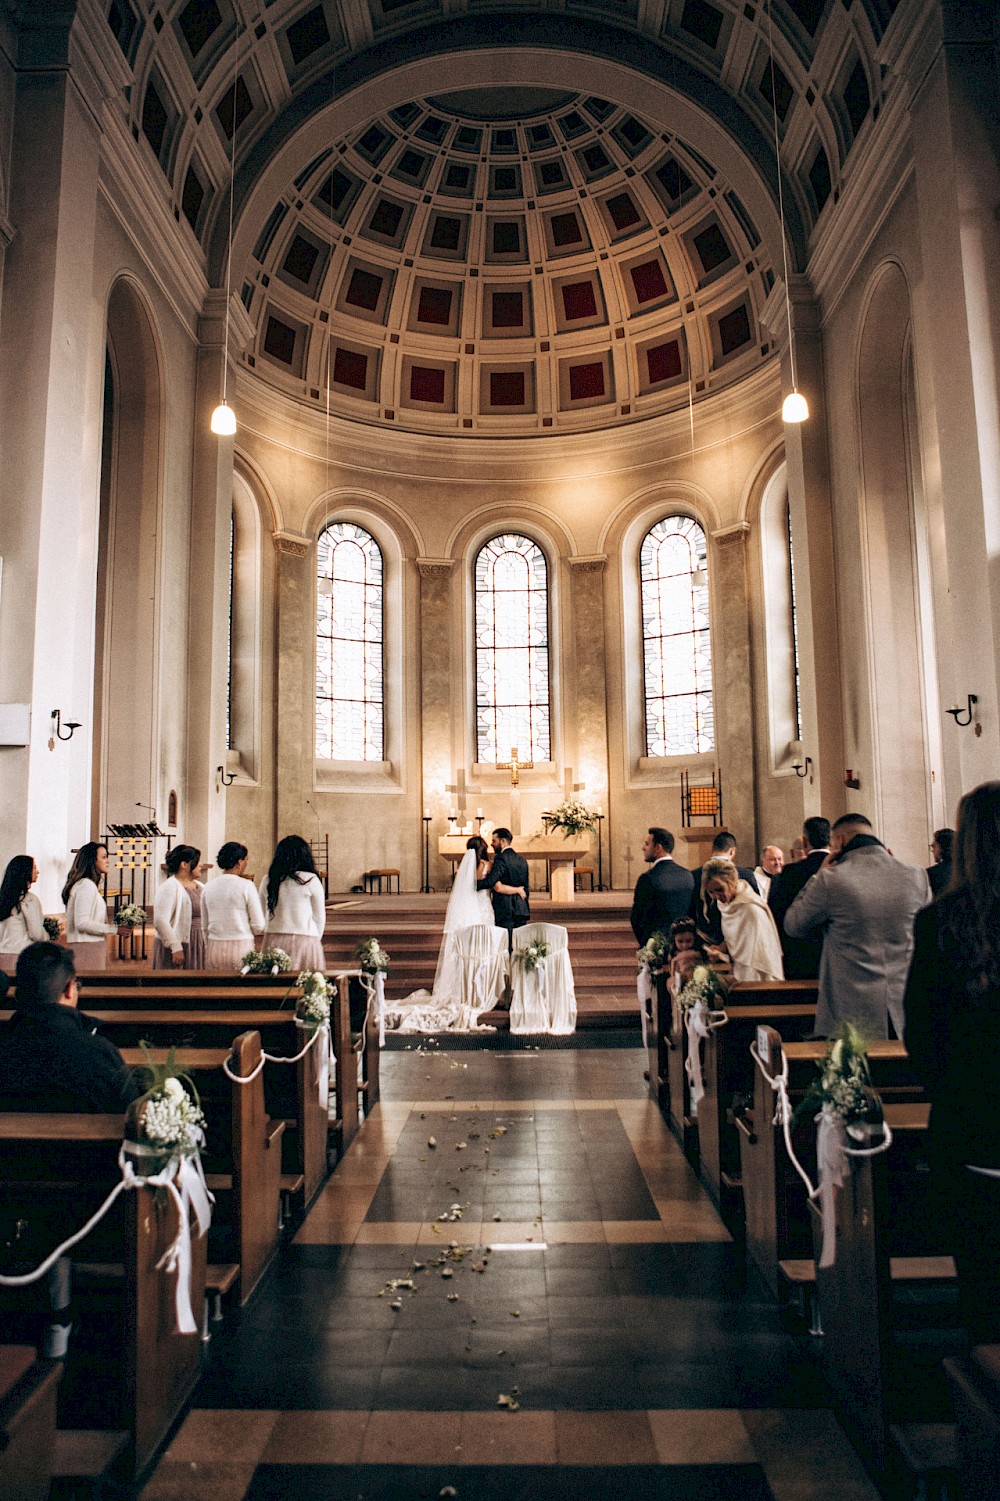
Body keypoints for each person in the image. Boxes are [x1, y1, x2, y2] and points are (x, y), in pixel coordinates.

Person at [903, 783, 1000, 1345]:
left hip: (972, 1132)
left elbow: (923, 1036)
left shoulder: (942, 923)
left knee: (985, 1296)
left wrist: (957, 1093)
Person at [784, 813, 930, 1038]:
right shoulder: (917, 876)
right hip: (904, 1006)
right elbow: (926, 933)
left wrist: (817, 876)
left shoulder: (831, 879)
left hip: (851, 1012)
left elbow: (794, 925)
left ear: (840, 841)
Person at [0, 942, 139, 1112]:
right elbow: (132, 1112)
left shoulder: (6, 1043)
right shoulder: (99, 1052)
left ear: (18, 994)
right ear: (69, 989)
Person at [768, 816, 832, 979]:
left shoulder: (789, 873)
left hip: (797, 953)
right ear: (830, 840)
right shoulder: (840, 868)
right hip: (833, 953)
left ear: (804, 842)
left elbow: (775, 913)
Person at [701, 858, 783, 982]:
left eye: (719, 890)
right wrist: (720, 949)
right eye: (711, 892)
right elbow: (737, 937)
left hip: (757, 972)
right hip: (739, 969)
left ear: (732, 881)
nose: (716, 897)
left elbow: (758, 953)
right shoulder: (726, 903)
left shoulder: (751, 909)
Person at [259, 835, 326, 970]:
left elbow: (262, 911)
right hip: (305, 938)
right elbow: (319, 916)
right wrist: (315, 939)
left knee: (275, 985)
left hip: (274, 938)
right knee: (306, 986)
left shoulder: (268, 879)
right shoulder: (311, 879)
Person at [201, 841, 266, 971]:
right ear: (240, 862)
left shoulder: (208, 887)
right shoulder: (247, 885)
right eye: (246, 860)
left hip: (215, 947)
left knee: (216, 989)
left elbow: (204, 926)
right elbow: (258, 926)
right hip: (241, 948)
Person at [690, 831, 759, 946]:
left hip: (708, 938)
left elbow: (691, 910)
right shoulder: (746, 874)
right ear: (732, 851)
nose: (715, 897)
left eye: (719, 890)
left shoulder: (694, 875)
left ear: (712, 849)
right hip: (740, 940)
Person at [630, 827, 695, 948]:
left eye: (647, 844)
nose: (643, 848)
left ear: (658, 848)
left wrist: (648, 946)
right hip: (683, 947)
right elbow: (692, 912)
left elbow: (637, 918)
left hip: (656, 947)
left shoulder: (647, 879)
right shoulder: (688, 875)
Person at [62, 842, 114, 972]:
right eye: (103, 857)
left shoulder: (85, 884)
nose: (108, 861)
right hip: (87, 947)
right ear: (92, 861)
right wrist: (114, 929)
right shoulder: (86, 885)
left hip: (88, 946)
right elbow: (82, 922)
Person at [152, 844, 205, 969]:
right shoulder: (169, 887)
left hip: (198, 943)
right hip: (179, 945)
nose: (200, 865)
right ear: (184, 865)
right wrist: (175, 946)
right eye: (197, 862)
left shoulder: (201, 886)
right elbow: (160, 921)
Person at [478, 828, 529, 947]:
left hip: (505, 908)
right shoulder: (522, 860)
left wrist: (472, 884)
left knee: (505, 945)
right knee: (520, 945)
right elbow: (526, 888)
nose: (491, 844)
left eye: (494, 841)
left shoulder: (500, 858)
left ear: (503, 841)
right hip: (521, 907)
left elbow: (491, 881)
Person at [0, 855, 46, 973]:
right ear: (25, 872)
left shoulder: (4, 899)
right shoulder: (29, 899)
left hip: (3, 955)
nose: (38, 871)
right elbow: (36, 933)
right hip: (22, 955)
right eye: (34, 868)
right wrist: (47, 937)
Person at [926, 827, 954, 898]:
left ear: (940, 847)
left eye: (933, 846)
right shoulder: (969, 870)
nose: (932, 851)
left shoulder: (931, 873)